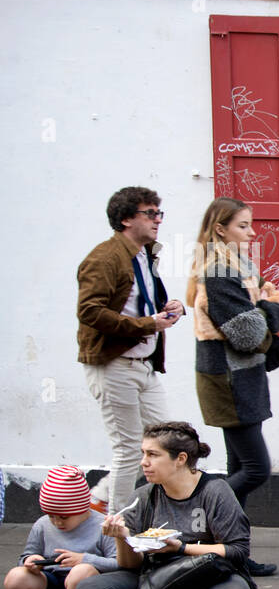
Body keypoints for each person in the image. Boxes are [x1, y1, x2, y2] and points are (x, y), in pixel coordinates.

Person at [76, 422, 256, 589]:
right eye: (143, 453)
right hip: (156, 575)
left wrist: (180, 548)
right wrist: (122, 537)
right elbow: (129, 565)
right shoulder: (143, 496)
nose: (143, 462)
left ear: (180, 459)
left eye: (152, 454)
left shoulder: (215, 491)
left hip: (207, 576)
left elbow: (237, 551)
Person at [186, 197, 279, 577]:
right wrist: (272, 308)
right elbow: (248, 334)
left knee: (238, 467)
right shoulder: (217, 272)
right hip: (229, 380)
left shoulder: (237, 266)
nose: (252, 232)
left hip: (242, 377)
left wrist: (265, 309)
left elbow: (260, 317)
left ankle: (232, 555)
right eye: (243, 225)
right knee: (256, 469)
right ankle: (199, 522)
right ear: (220, 229)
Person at [77, 186, 185, 515]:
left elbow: (140, 304)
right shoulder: (103, 258)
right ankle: (116, 530)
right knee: (128, 449)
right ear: (126, 219)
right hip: (113, 364)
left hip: (144, 365)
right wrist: (146, 324)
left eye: (159, 213)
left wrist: (172, 307)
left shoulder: (144, 252)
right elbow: (90, 311)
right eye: (149, 214)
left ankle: (100, 498)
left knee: (167, 441)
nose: (157, 220)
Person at [4, 466, 117, 589]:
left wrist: (84, 559)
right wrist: (31, 560)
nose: (57, 522)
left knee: (81, 571)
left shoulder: (102, 526)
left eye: (64, 517)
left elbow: (119, 563)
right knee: (16, 577)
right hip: (50, 585)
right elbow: (25, 556)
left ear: (82, 508)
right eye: (51, 516)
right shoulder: (42, 525)